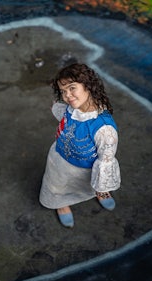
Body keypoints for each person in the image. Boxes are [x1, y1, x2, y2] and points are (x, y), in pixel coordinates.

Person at [39, 63, 121, 228]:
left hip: (85, 169)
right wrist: (56, 107)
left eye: (72, 88)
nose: (67, 95)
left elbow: (105, 160)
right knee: (57, 184)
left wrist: (101, 185)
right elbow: (67, 116)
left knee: (87, 184)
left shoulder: (104, 129)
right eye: (63, 91)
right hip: (59, 160)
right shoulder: (72, 108)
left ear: (88, 86)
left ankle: (100, 192)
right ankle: (60, 203)